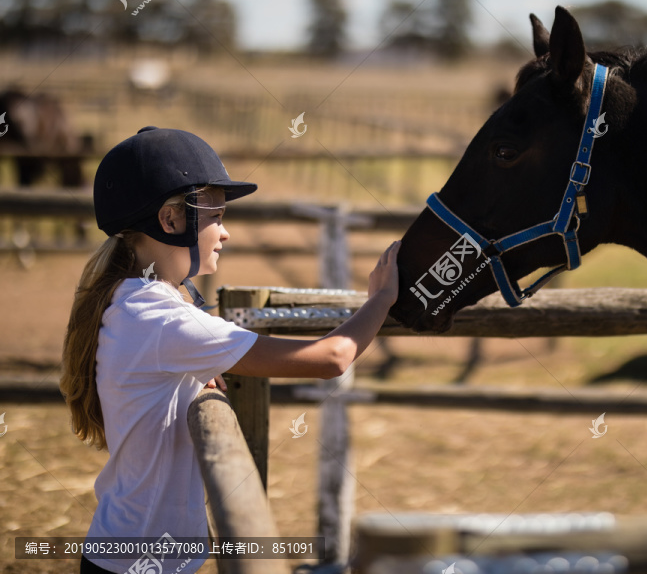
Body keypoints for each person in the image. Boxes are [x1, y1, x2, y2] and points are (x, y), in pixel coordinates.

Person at [60, 126, 399, 574]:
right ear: (171, 220)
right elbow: (331, 358)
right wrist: (381, 299)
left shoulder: (134, 300)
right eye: (216, 215)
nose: (225, 233)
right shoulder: (162, 319)